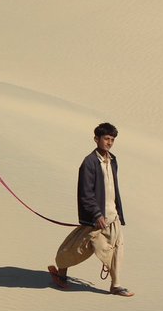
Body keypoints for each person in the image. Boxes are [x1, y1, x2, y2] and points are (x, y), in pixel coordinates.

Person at [48, 122, 133, 297]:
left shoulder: (113, 160)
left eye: (112, 139)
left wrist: (116, 211)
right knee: (76, 247)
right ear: (96, 139)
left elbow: (112, 188)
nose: (109, 143)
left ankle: (115, 285)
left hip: (113, 215)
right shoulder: (89, 162)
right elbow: (86, 193)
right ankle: (61, 273)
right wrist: (96, 214)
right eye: (106, 139)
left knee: (118, 248)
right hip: (97, 217)